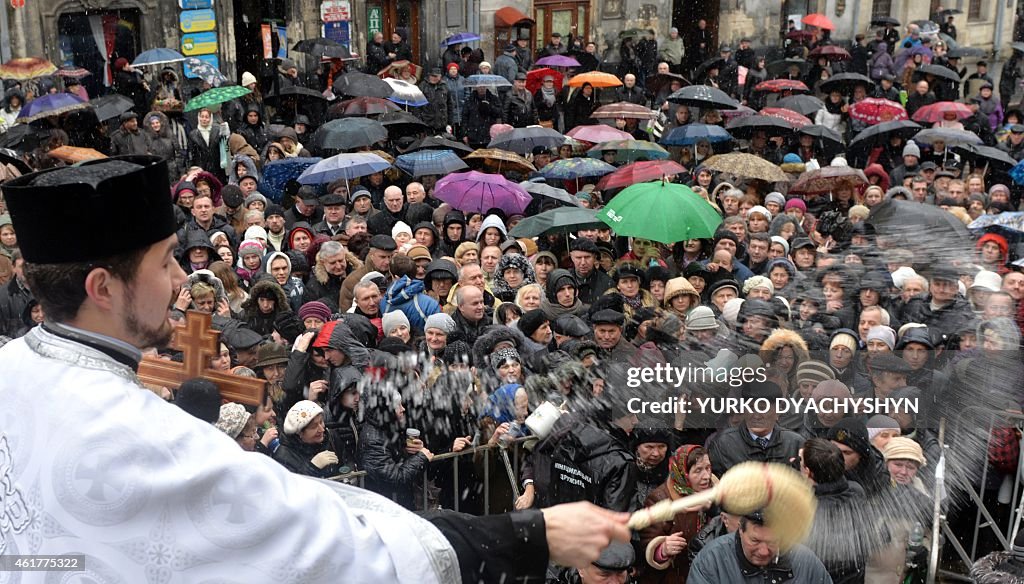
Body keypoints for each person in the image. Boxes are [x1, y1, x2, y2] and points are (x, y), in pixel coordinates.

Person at [0, 155, 634, 583]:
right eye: (166, 262)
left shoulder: (12, 371)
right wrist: (534, 535)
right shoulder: (138, 437)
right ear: (103, 287)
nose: (180, 283)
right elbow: (341, 558)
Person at [688, 511, 833, 583]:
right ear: (740, 530)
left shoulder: (806, 563)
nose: (764, 551)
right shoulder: (712, 562)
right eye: (755, 540)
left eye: (772, 542)